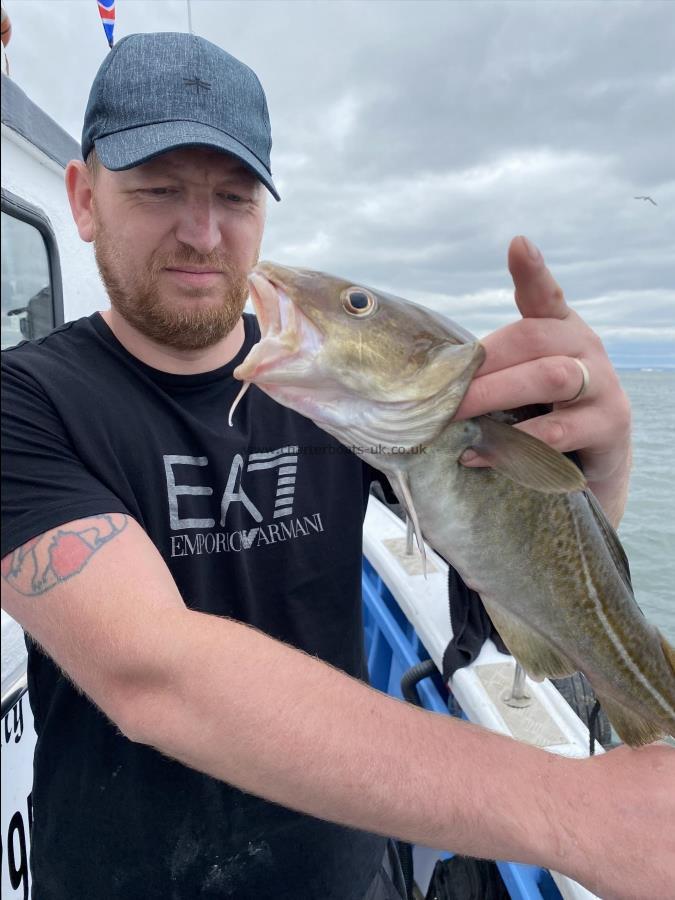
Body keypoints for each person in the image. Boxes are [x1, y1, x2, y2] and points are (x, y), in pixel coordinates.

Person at [1, 31, 672, 900]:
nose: (203, 232)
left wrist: (587, 470)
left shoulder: (332, 391)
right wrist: (571, 813)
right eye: (159, 189)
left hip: (345, 871)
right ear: (83, 200)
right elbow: (151, 673)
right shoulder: (25, 402)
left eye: (235, 197)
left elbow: (511, 583)